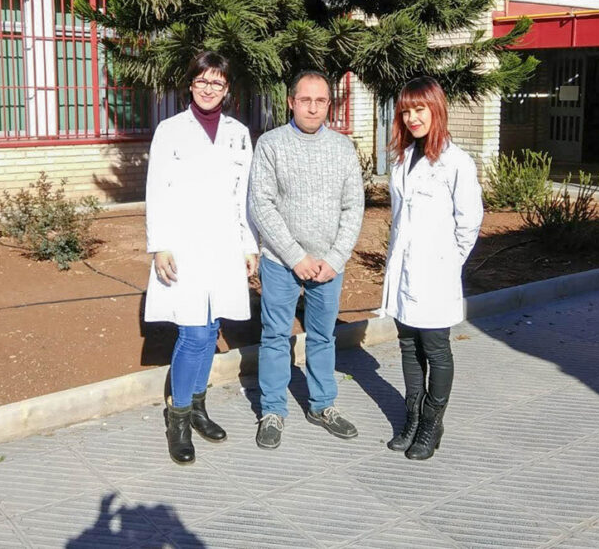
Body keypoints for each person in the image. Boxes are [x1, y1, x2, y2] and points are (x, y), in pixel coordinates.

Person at [144, 51, 259, 465]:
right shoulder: (170, 131)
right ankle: (177, 417)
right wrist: (159, 245)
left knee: (210, 331)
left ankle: (198, 408)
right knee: (192, 334)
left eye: (218, 83)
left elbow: (241, 196)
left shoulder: (238, 133)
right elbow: (157, 189)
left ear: (227, 89)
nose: (210, 89)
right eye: (202, 81)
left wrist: (249, 245)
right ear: (190, 85)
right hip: (185, 245)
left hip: (225, 246)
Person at [249, 70, 365, 449]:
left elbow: (354, 208)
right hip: (282, 262)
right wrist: (295, 256)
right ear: (290, 102)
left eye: (320, 101)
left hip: (329, 264)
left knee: (322, 336)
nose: (313, 107)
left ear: (328, 105)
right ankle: (272, 410)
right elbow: (260, 205)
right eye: (305, 100)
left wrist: (335, 257)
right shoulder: (270, 144)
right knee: (276, 336)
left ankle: (322, 405)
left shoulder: (343, 148)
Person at [379, 76, 483, 460]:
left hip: (435, 273)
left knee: (435, 349)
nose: (412, 118)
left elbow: (469, 222)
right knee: (407, 346)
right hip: (404, 269)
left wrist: (445, 262)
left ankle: (432, 424)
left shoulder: (457, 162)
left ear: (436, 109)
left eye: (419, 109)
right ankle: (412, 416)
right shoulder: (404, 159)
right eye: (406, 111)